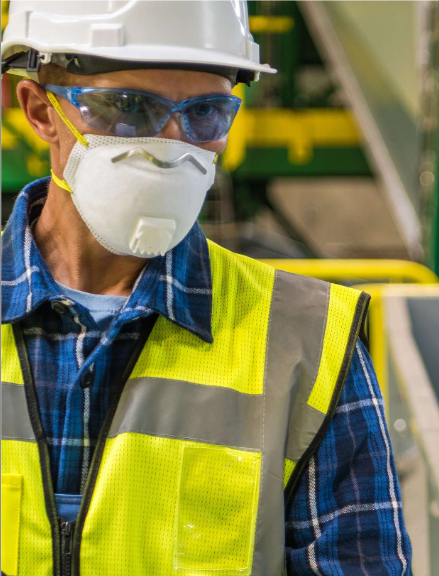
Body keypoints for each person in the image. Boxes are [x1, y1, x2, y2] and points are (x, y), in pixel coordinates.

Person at [0, 2, 412, 575]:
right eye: (128, 108)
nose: (171, 144)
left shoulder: (307, 343)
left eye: (206, 113)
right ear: (39, 109)